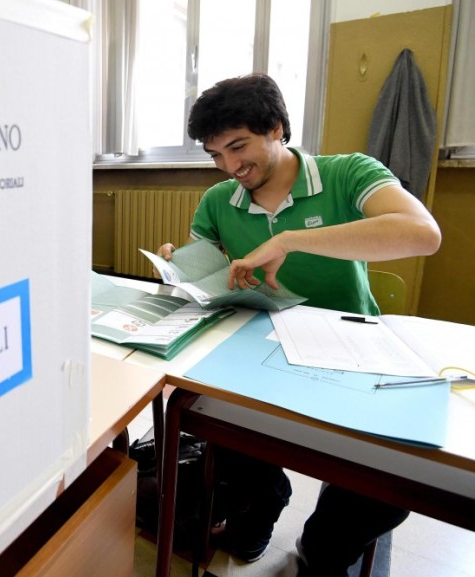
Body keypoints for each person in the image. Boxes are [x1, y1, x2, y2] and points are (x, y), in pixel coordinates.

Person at [156, 73, 441, 576]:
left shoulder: (348, 172)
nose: (230, 167)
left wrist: (289, 240)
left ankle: (323, 545)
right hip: (256, 349)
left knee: (387, 482)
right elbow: (208, 271)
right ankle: (262, 507)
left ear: (277, 129)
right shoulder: (220, 200)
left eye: (238, 147)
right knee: (220, 429)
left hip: (351, 351)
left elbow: (422, 234)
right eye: (216, 155)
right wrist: (181, 265)